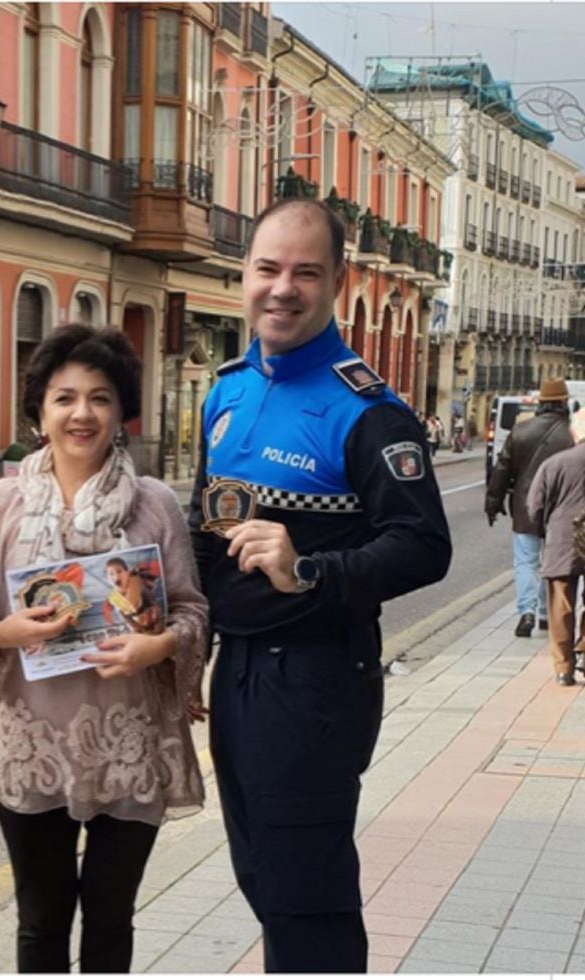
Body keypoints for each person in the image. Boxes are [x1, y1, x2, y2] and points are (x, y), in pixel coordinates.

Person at [188, 198, 452, 973]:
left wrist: (308, 568)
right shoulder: (226, 392)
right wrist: (189, 652)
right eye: (268, 269)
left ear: (337, 280)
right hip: (236, 672)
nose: (283, 288)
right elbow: (209, 539)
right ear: (244, 275)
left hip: (315, 680)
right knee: (263, 880)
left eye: (306, 272)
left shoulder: (368, 411)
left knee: (310, 904)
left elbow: (424, 546)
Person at [0, 325, 208, 973]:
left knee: (111, 918)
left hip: (129, 742)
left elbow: (193, 610)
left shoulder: (154, 506)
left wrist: (160, 649)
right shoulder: (3, 503)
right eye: (65, 398)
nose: (82, 413)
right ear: (41, 409)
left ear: (121, 412)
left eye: (100, 397)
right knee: (41, 922)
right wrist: (9, 632)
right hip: (30, 743)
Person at [484, 377, 572, 638]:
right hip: (562, 507)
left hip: (525, 506)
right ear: (564, 402)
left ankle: (527, 612)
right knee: (552, 562)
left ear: (540, 402)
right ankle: (546, 615)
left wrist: (493, 503)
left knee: (525, 561)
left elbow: (502, 470)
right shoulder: (573, 432)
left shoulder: (521, 430)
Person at [526, 408, 585, 685]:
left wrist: (543, 533)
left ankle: (563, 668)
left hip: (562, 537)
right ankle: (584, 650)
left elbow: (534, 507)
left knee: (561, 604)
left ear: (575, 432)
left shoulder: (555, 463)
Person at [104, 556, 163, 634]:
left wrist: (154, 609)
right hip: (135, 621)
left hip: (149, 612)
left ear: (127, 572)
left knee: (159, 629)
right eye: (111, 574)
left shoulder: (136, 582)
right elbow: (123, 615)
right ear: (107, 579)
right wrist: (132, 625)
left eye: (119, 571)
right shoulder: (113, 597)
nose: (116, 576)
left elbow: (149, 598)